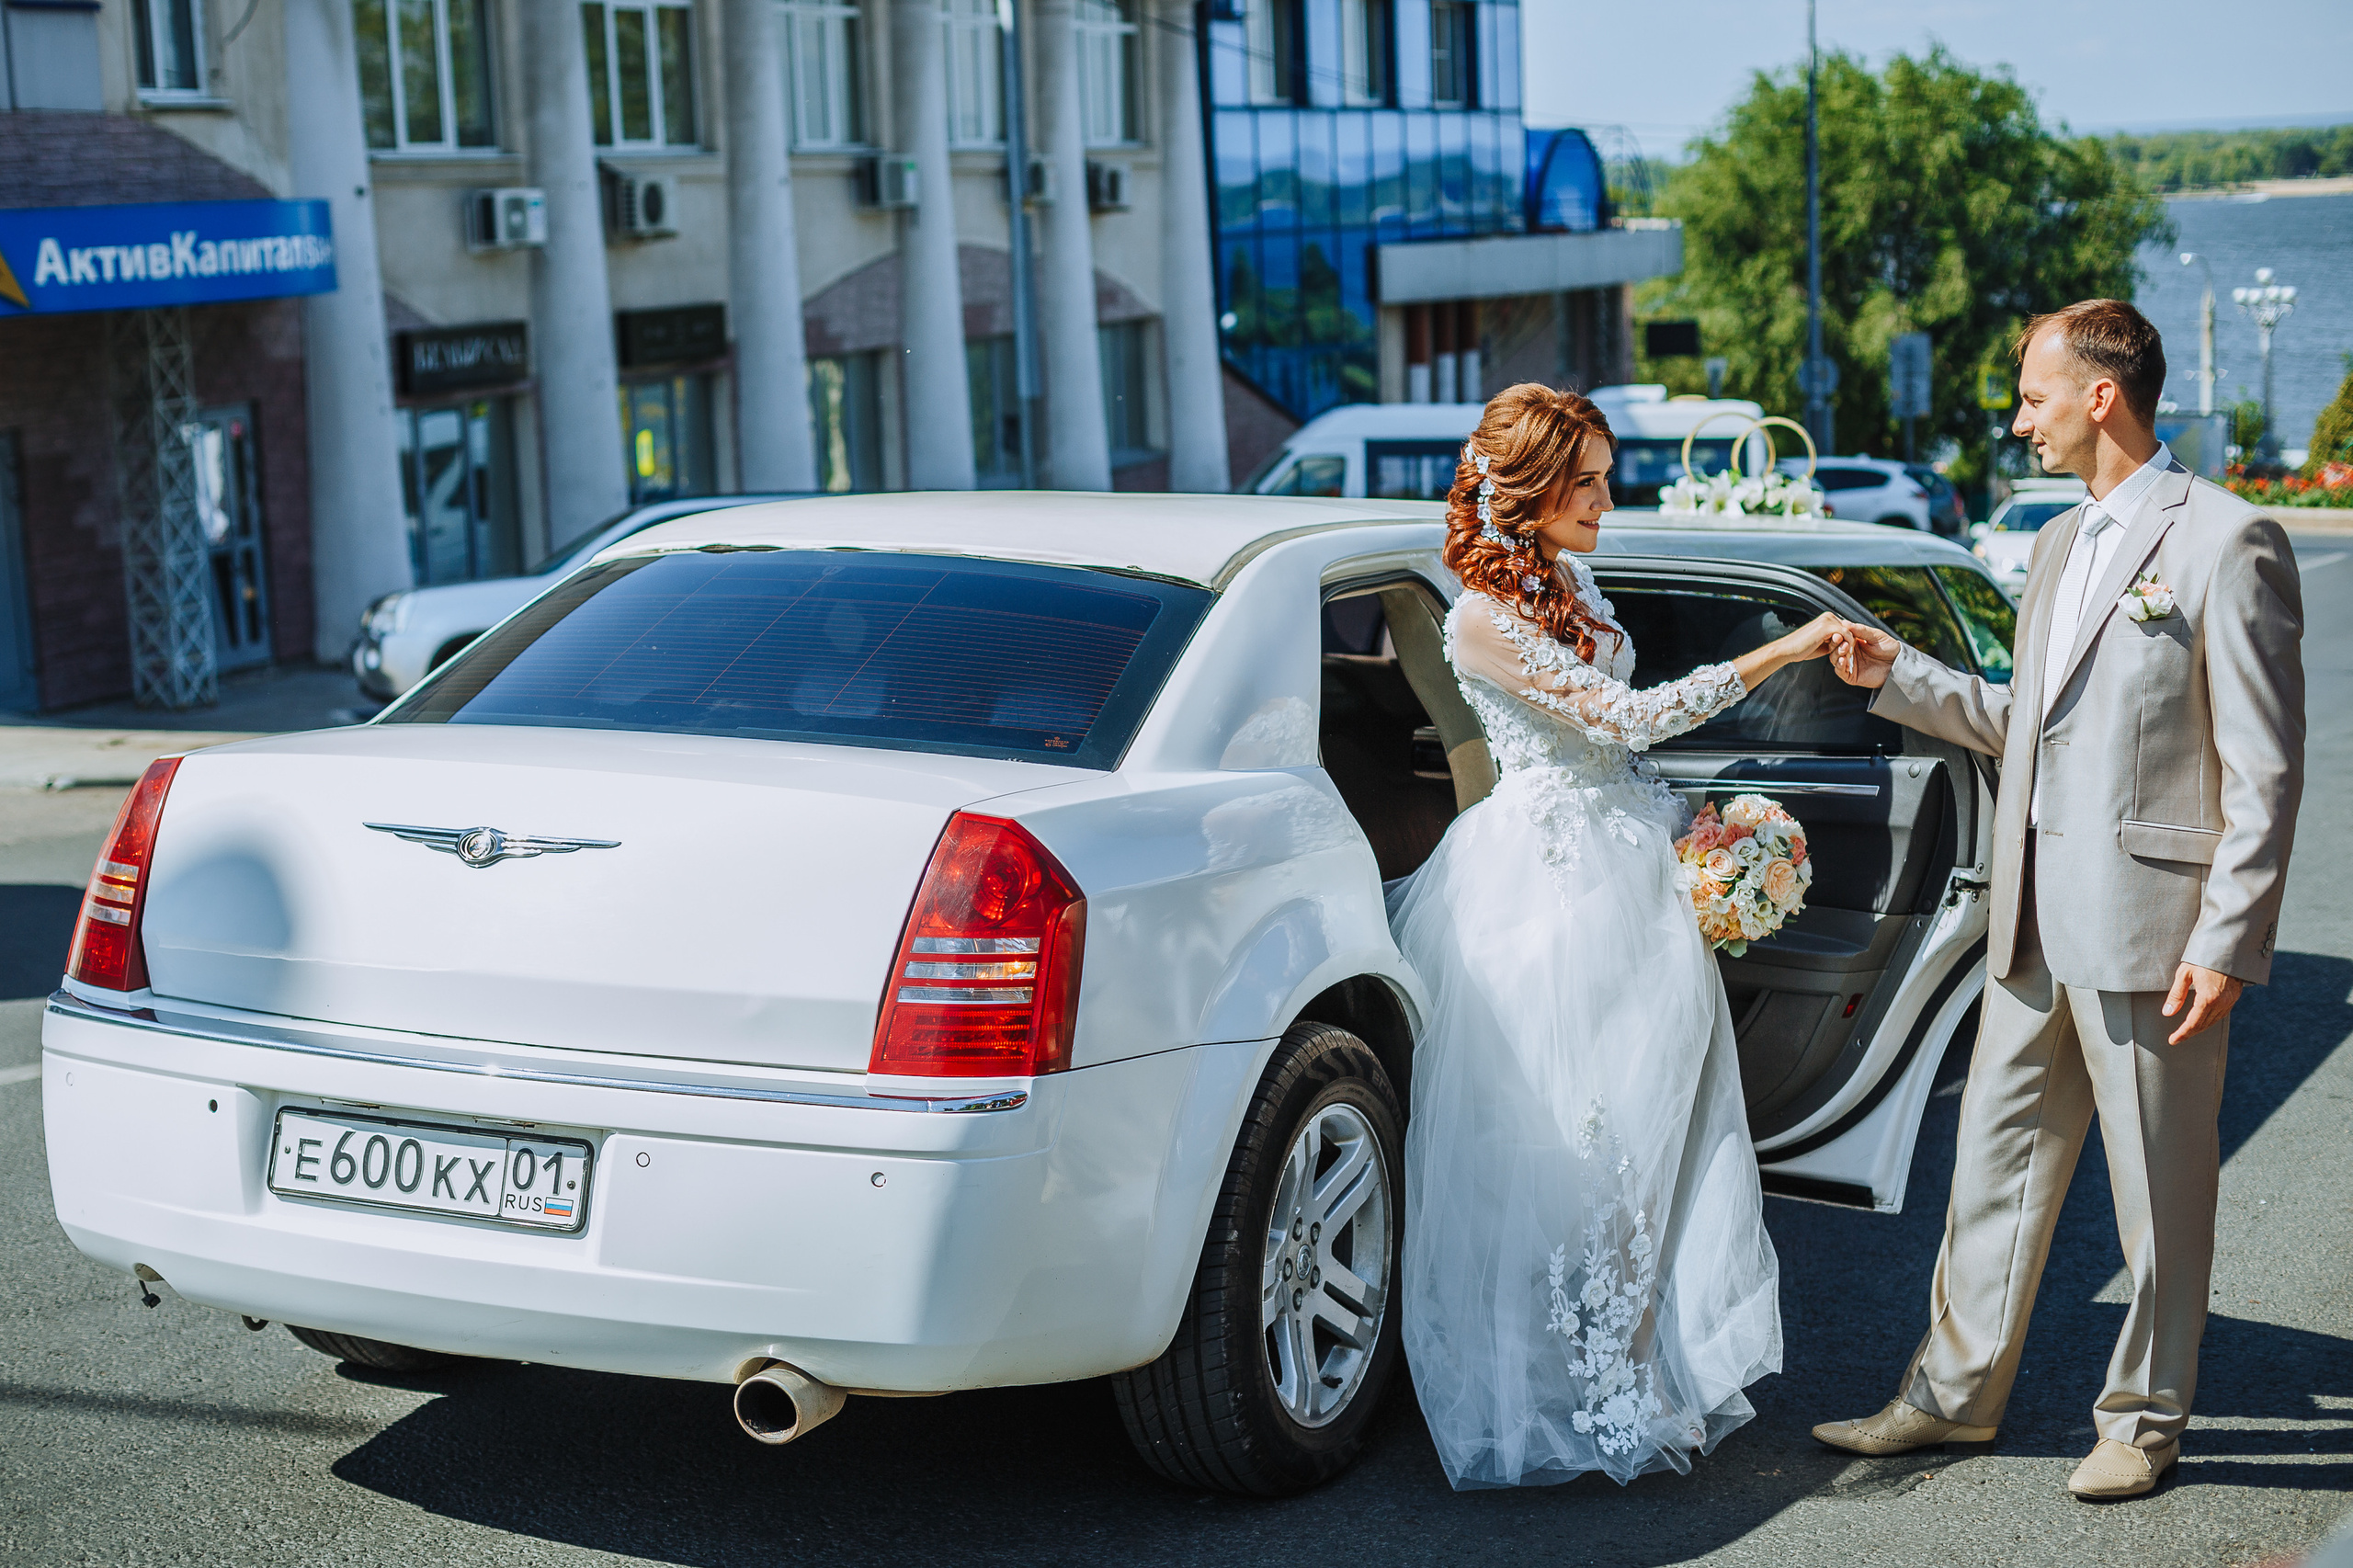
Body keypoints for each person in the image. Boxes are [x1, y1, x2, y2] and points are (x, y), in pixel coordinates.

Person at [1815, 299, 2305, 1502]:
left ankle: (2143, 1417)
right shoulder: (2053, 546)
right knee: (1991, 1170)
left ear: (2102, 395)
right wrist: (1905, 676)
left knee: (2158, 1189)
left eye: (2034, 394)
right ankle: (1951, 1396)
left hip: (2152, 931)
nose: (2017, 417)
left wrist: (2229, 937)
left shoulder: (2226, 539)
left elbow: (2266, 764)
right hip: (2031, 921)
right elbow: (2019, 726)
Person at [1391, 383, 1843, 1489]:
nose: (1605, 497)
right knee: (1560, 1141)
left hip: (1632, 863)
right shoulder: (1477, 618)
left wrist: (1696, 829)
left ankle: (1636, 1363)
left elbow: (1620, 750)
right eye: (1585, 479)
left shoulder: (1576, 577)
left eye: (1602, 474)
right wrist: (1778, 656)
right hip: (1543, 891)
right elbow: (1624, 714)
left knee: (1654, 1132)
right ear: (1533, 487)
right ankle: (1560, 1382)